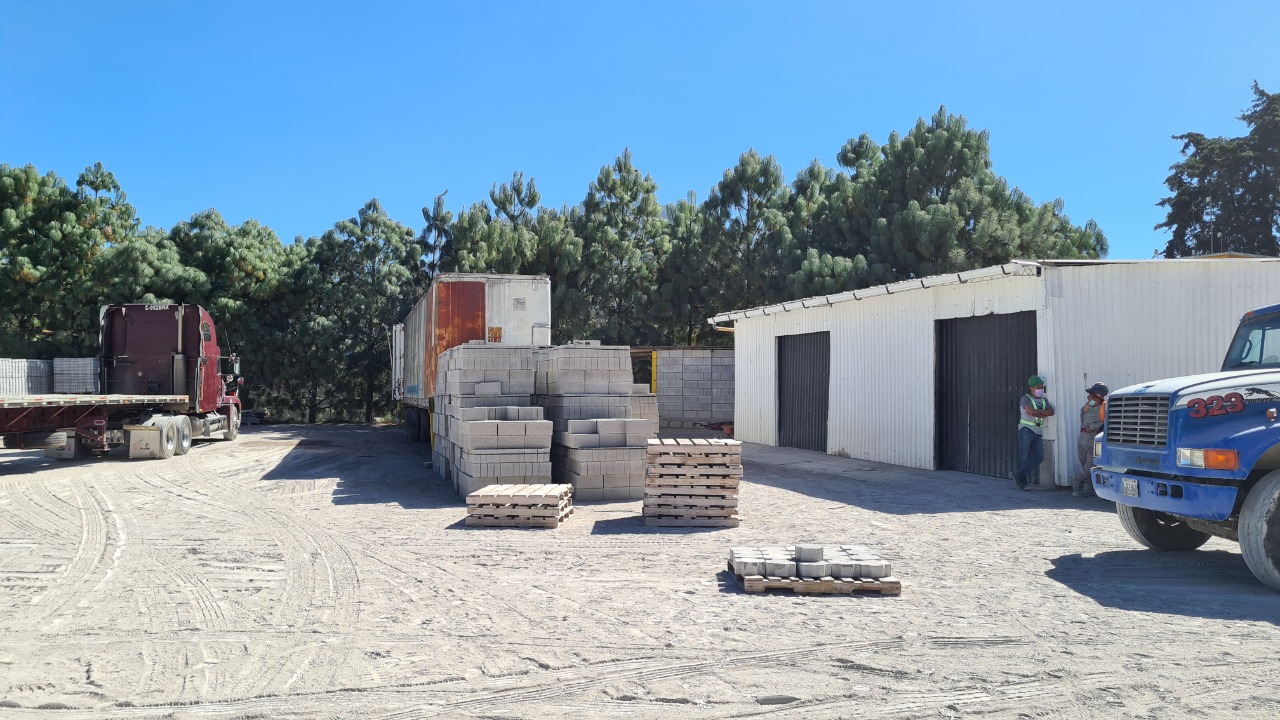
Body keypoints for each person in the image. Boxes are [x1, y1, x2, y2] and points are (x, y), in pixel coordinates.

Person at [1013, 375, 1055, 491]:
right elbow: (1031, 412)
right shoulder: (1025, 399)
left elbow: (1051, 412)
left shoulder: (1044, 400)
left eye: (1041, 387)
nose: (1040, 389)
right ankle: (1022, 482)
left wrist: (1038, 412)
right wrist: (1043, 413)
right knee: (1024, 457)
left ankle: (1019, 474)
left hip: (1038, 431)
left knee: (1039, 457)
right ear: (1031, 387)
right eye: (1037, 387)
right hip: (1026, 430)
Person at [1073, 382, 1109, 497]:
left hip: (1094, 442)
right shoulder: (1087, 406)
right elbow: (1082, 419)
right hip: (1082, 440)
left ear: (1097, 397)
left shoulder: (1105, 407)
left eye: (1090, 395)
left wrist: (1093, 427)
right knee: (1084, 464)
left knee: (1090, 466)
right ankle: (1087, 489)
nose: (1088, 397)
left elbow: (1106, 423)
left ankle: (1078, 479)